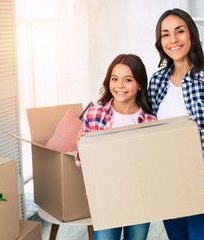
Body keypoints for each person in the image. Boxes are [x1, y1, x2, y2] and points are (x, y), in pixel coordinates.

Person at [148, 8, 204, 240]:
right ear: (160, 41)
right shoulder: (157, 81)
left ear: (192, 35)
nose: (173, 39)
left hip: (200, 184)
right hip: (167, 184)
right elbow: (144, 128)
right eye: (165, 34)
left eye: (179, 31)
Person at [76, 53, 157, 240]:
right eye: (115, 79)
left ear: (140, 84)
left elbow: (152, 165)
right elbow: (83, 164)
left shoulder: (150, 121)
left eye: (128, 80)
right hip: (106, 198)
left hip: (140, 199)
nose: (120, 85)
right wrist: (82, 150)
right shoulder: (94, 114)